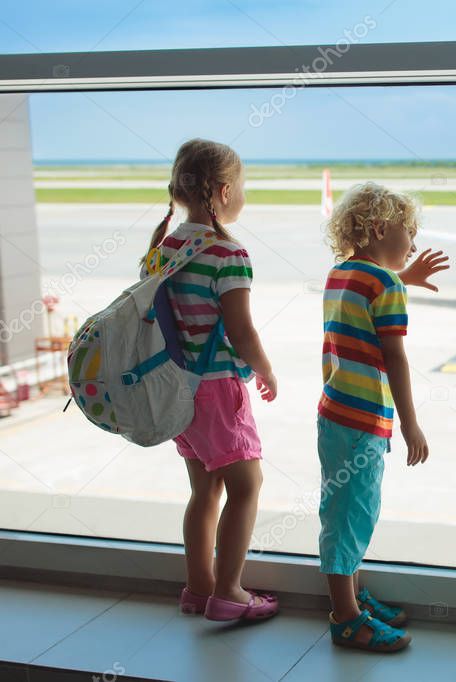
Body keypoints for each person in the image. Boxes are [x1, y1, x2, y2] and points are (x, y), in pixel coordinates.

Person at [143, 139, 279, 622]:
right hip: (219, 387)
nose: (243, 193)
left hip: (180, 388)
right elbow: (240, 329)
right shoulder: (228, 252)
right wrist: (264, 367)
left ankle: (199, 589)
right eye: (241, 186)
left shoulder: (166, 247)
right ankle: (229, 593)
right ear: (223, 190)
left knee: (204, 492)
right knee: (247, 485)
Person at [318, 181, 448, 652]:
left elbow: (362, 304)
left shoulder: (341, 274)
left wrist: (401, 278)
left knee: (346, 508)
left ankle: (351, 595)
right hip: (362, 419)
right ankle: (346, 619)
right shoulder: (386, 285)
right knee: (352, 514)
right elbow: (394, 358)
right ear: (377, 230)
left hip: (334, 413)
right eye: (407, 234)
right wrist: (411, 423)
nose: (412, 244)